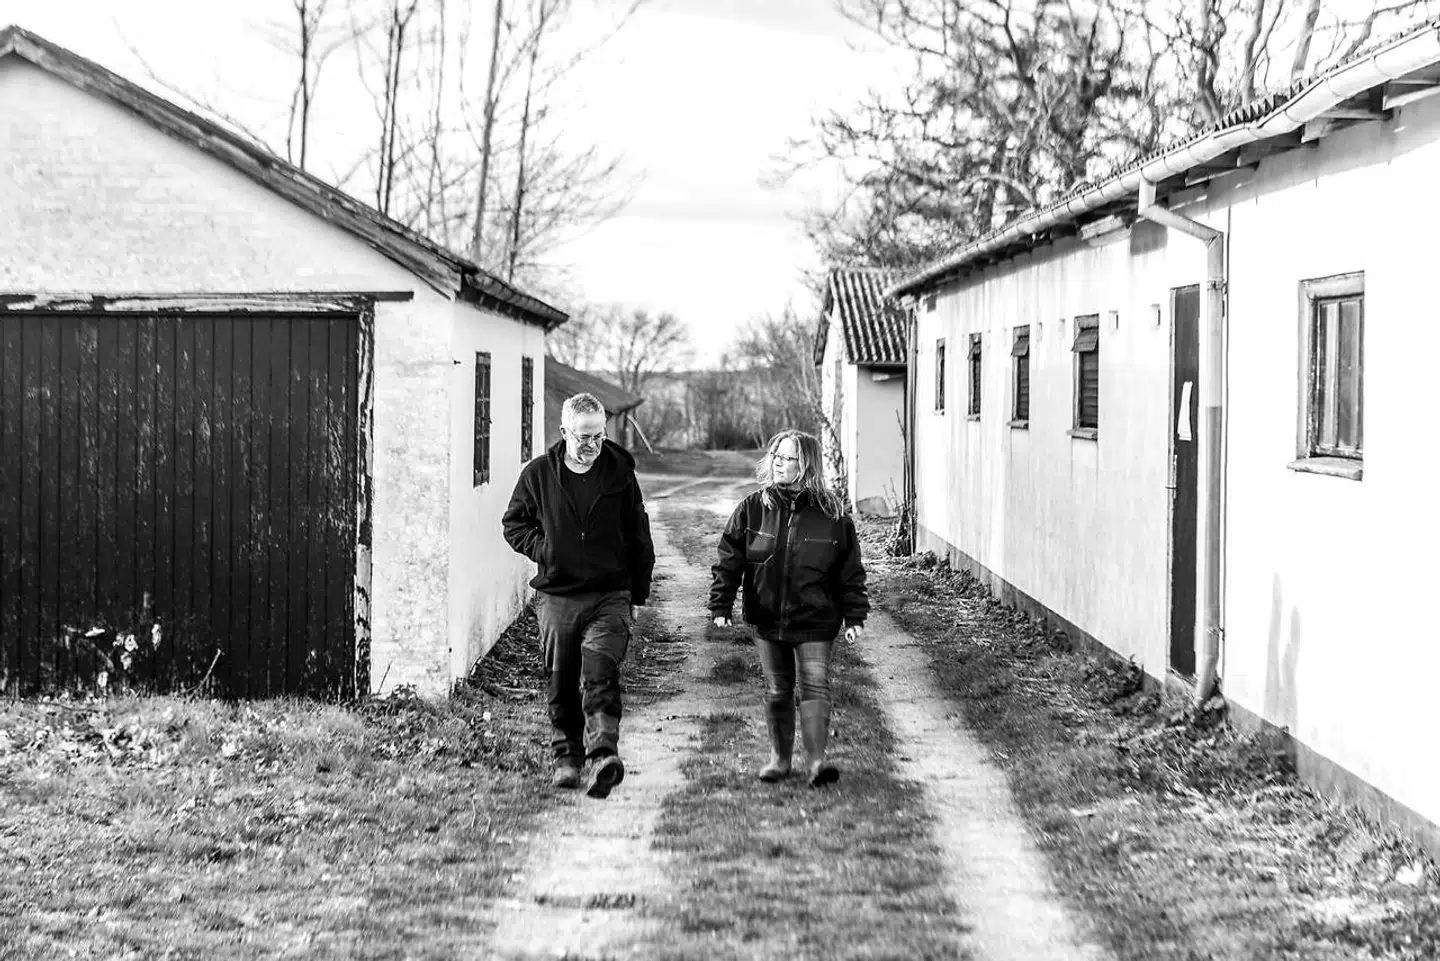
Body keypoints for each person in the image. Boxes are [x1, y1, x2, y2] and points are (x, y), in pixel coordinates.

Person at [502, 392, 655, 798]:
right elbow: (513, 524)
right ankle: (567, 759)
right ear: (564, 431)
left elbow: (639, 535)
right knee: (562, 679)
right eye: (582, 437)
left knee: (599, 669)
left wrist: (637, 594)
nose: (591, 446)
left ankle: (604, 753)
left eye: (598, 436)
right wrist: (545, 550)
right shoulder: (538, 475)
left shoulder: (620, 474)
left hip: (610, 592)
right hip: (559, 595)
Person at [709, 429, 868, 787]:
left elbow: (850, 572)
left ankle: (816, 764)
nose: (779, 464)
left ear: (806, 464)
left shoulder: (832, 515)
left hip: (816, 619)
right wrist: (722, 603)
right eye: (776, 457)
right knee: (778, 690)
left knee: (815, 686)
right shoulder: (753, 508)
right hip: (767, 617)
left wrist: (855, 615)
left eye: (788, 458)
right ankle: (780, 760)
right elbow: (729, 559)